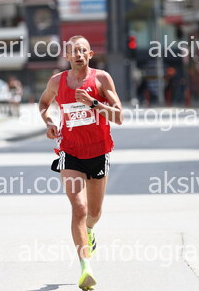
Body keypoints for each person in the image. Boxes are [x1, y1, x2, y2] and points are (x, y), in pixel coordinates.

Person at [38, 36, 123, 290]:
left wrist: (94, 103)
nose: (78, 54)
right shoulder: (57, 82)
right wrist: (49, 123)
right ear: (67, 56)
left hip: (98, 152)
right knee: (79, 207)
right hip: (70, 152)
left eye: (82, 50)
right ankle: (86, 267)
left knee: (94, 214)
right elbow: (43, 103)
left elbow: (119, 116)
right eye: (73, 51)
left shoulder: (101, 79)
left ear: (90, 54)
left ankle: (90, 230)